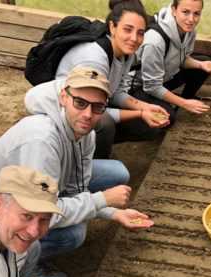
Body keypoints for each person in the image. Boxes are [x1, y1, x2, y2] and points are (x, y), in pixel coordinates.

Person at [0, 66, 154, 277]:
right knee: (73, 234)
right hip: (1, 209)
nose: (88, 114)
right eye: (80, 103)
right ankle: (24, 258)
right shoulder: (42, 141)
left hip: (41, 188)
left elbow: (77, 188)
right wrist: (101, 200)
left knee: (117, 173)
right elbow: (41, 210)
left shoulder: (86, 134)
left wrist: (114, 213)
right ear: (63, 97)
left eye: (97, 107)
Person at [31, 0, 171, 160]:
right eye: (127, 29)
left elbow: (115, 91)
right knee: (105, 124)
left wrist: (146, 107)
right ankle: (91, 160)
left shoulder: (125, 53)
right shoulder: (95, 59)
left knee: (148, 127)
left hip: (89, 103)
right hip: (64, 107)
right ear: (112, 27)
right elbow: (91, 107)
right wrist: (140, 113)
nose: (134, 38)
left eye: (140, 33)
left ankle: (95, 144)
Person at [126, 0, 211, 121]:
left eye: (196, 13)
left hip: (163, 79)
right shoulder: (155, 41)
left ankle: (185, 102)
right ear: (174, 10)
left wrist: (201, 65)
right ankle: (182, 104)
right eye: (185, 12)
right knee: (168, 117)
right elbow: (151, 86)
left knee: (203, 64)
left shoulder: (189, 30)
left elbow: (180, 60)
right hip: (140, 88)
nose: (191, 19)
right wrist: (184, 103)